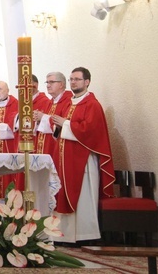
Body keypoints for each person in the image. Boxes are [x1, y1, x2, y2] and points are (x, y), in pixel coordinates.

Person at [50, 67, 114, 244]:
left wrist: (66, 124)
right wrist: (58, 126)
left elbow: (91, 131)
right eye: (71, 79)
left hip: (83, 160)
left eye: (77, 79)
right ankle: (65, 235)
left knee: (83, 197)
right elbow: (59, 129)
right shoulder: (69, 104)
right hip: (65, 159)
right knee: (62, 193)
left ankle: (85, 236)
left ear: (87, 82)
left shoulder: (92, 104)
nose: (73, 82)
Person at [33, 72, 72, 157]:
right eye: (47, 82)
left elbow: (64, 125)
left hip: (56, 148)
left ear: (61, 84)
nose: (48, 85)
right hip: (45, 147)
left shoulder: (69, 101)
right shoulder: (50, 102)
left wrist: (42, 117)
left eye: (51, 82)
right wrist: (38, 119)